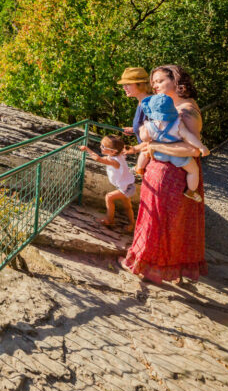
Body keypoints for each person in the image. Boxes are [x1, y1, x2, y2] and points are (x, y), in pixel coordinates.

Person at [123, 65, 208, 284]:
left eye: (160, 81)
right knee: (163, 224)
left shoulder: (186, 109)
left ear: (176, 81)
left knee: (163, 225)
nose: (155, 85)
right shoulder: (170, 107)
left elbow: (193, 150)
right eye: (154, 82)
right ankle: (162, 268)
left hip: (173, 177)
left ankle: (156, 269)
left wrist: (155, 148)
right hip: (163, 173)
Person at [134, 94, 210, 201]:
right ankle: (191, 191)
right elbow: (189, 137)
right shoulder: (178, 124)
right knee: (193, 170)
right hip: (177, 156)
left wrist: (142, 129)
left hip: (158, 154)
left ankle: (139, 169)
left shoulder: (150, 126)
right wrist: (201, 146)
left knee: (145, 151)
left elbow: (144, 138)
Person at [79, 135, 136, 231]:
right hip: (127, 185)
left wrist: (87, 149)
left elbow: (98, 159)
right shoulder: (118, 154)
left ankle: (109, 220)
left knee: (109, 197)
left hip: (126, 188)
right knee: (127, 206)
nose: (100, 147)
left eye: (103, 147)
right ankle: (132, 223)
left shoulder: (114, 161)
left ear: (113, 151)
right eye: (101, 145)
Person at [116, 67, 153, 144]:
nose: (124, 87)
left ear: (140, 84)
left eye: (128, 84)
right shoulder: (141, 101)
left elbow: (156, 134)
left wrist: (134, 149)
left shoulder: (150, 104)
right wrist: (134, 130)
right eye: (123, 85)